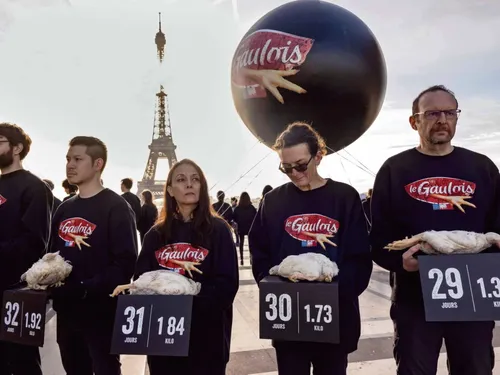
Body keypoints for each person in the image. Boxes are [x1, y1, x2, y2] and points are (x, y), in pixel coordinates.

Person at [370, 85, 500, 375]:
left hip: (473, 298)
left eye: (449, 112)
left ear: (456, 118)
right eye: (432, 113)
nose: (442, 119)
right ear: (414, 121)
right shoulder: (394, 170)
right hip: (415, 300)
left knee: (475, 369)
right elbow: (378, 239)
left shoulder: (483, 168)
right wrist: (399, 262)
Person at [249, 122, 372, 375]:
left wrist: (332, 294)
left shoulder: (345, 197)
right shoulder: (272, 201)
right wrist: (271, 285)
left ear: (318, 156)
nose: (294, 173)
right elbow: (259, 250)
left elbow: (360, 257)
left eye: (301, 165)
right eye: (286, 167)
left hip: (335, 317)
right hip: (288, 320)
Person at [134, 159, 239, 374]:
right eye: (181, 180)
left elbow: (227, 285)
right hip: (163, 337)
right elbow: (141, 281)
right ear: (170, 190)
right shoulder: (155, 235)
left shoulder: (219, 230)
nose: (189, 184)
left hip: (207, 337)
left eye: (195, 179)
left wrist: (186, 305)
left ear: (202, 187)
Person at [49, 136, 138, 375]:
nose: (70, 165)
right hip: (67, 312)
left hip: (102, 312)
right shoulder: (64, 208)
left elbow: (125, 262)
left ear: (98, 164)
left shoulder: (116, 206)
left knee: (105, 368)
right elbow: (51, 254)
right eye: (68, 159)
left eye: (78, 159)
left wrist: (85, 287)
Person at [0, 123, 52, 375]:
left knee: (22, 361)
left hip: (18, 292)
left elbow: (35, 242)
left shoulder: (33, 187)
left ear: (17, 148)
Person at [232, 191, 257, 266]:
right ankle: (251, 259)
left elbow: (234, 218)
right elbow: (255, 218)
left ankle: (242, 259)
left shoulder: (237, 208)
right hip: (250, 228)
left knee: (241, 244)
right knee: (250, 244)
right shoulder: (252, 208)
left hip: (241, 228)